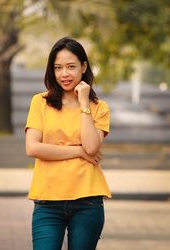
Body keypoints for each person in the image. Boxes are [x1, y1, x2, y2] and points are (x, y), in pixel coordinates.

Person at [25, 37, 111, 250]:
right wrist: (78, 152)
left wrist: (84, 103)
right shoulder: (40, 102)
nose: (64, 74)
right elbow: (33, 148)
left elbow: (91, 147)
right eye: (58, 68)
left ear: (84, 67)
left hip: (87, 201)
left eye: (71, 67)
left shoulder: (99, 108)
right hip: (47, 202)